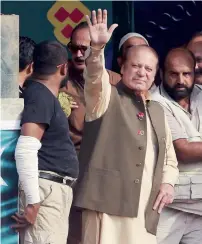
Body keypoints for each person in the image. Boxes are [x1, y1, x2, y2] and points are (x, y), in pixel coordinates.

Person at [74, 9, 179, 244]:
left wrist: (168, 182)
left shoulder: (158, 109)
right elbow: (94, 78)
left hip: (144, 210)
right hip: (106, 206)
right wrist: (97, 49)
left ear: (154, 76)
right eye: (136, 66)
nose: (142, 72)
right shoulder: (105, 97)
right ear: (122, 67)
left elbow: (170, 158)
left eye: (148, 69)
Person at [12, 41, 79, 244]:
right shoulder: (39, 95)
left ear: (33, 66)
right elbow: (25, 150)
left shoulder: (43, 96)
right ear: (64, 67)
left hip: (51, 193)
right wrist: (33, 203)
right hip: (44, 193)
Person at [152, 48, 202, 244]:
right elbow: (184, 151)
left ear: (195, 72)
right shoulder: (156, 102)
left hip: (199, 207)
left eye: (186, 74)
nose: (181, 80)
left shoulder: (200, 94)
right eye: (173, 74)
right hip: (169, 205)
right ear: (162, 74)